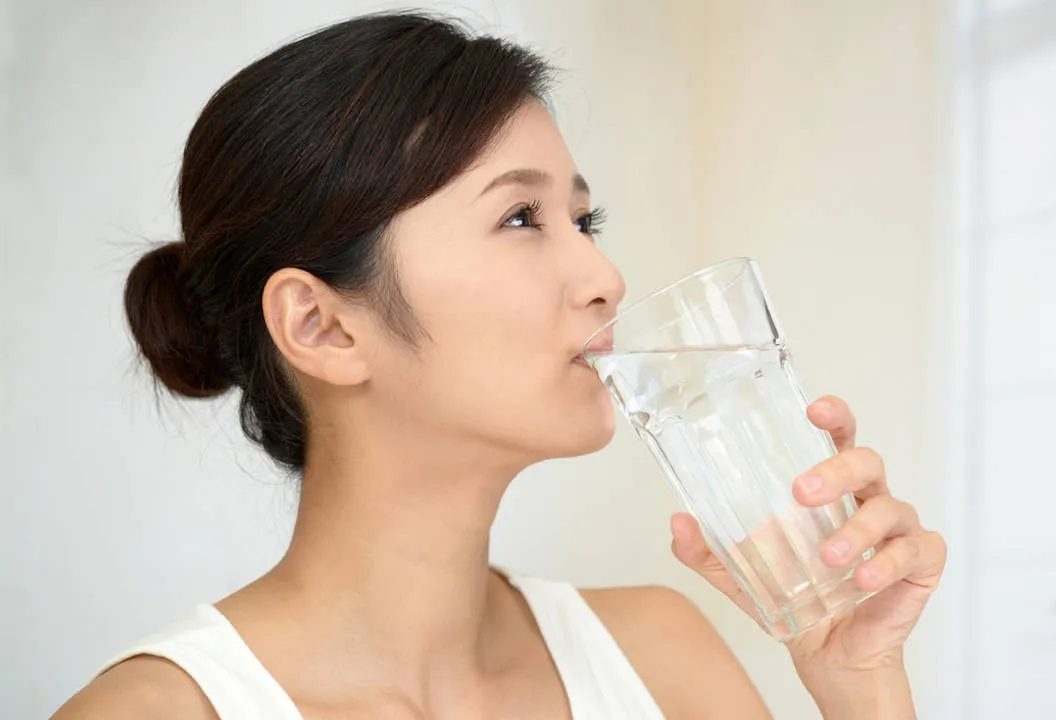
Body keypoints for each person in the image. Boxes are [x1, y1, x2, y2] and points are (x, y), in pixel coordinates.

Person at [53, 11, 945, 720]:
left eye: (583, 221)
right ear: (321, 326)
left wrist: (859, 683)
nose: (604, 277)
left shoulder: (660, 657)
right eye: (521, 218)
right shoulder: (155, 711)